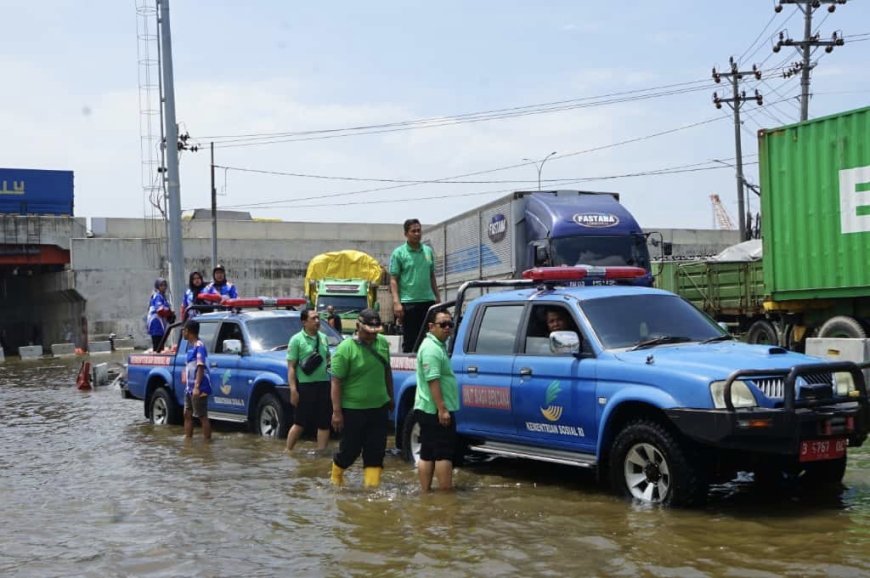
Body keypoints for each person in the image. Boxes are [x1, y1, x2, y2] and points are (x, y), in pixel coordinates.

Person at [329, 308, 394, 488]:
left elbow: (387, 371)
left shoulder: (382, 343)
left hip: (378, 407)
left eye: (375, 332)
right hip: (352, 410)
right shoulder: (345, 349)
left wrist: (390, 396)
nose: (371, 336)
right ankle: (336, 478)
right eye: (367, 332)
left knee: (376, 452)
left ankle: (371, 490)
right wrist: (336, 412)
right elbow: (336, 381)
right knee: (350, 451)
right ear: (358, 326)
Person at [414, 309, 459, 492]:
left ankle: (426, 493)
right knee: (443, 454)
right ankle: (445, 496)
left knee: (427, 452)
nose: (447, 328)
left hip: (429, 408)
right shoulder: (432, 349)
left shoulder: (436, 346)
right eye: (443, 325)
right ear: (431, 327)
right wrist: (442, 409)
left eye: (450, 324)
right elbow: (433, 380)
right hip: (435, 410)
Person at [389, 218, 440, 353]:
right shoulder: (399, 253)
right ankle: (410, 371)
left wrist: (438, 297)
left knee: (429, 339)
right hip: (409, 303)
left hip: (428, 302)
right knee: (411, 341)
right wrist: (396, 302)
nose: (417, 233)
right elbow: (393, 279)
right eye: (413, 231)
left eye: (419, 230)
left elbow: (431, 275)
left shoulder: (428, 251)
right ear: (406, 234)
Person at [286, 308, 332, 451]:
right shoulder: (296, 340)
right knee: (300, 422)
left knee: (324, 422)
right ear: (304, 322)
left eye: (318, 318)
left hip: (324, 384)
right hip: (305, 386)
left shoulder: (323, 338)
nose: (317, 321)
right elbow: (291, 367)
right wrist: (293, 390)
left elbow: (328, 358)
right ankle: (288, 450)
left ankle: (321, 452)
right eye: (313, 318)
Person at [182, 319, 212, 440]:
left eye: (184, 330)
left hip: (199, 388)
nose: (183, 332)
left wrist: (197, 387)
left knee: (202, 416)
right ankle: (188, 440)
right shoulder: (190, 347)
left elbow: (200, 366)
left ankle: (207, 443)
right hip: (189, 388)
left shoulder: (199, 346)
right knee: (187, 414)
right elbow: (190, 366)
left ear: (189, 331)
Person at [146, 278, 174, 352]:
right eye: (161, 285)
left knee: (160, 345)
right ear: (157, 286)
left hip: (160, 325)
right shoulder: (157, 296)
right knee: (158, 346)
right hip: (156, 324)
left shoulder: (162, 297)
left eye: (165, 285)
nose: (163, 287)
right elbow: (160, 310)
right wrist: (170, 313)